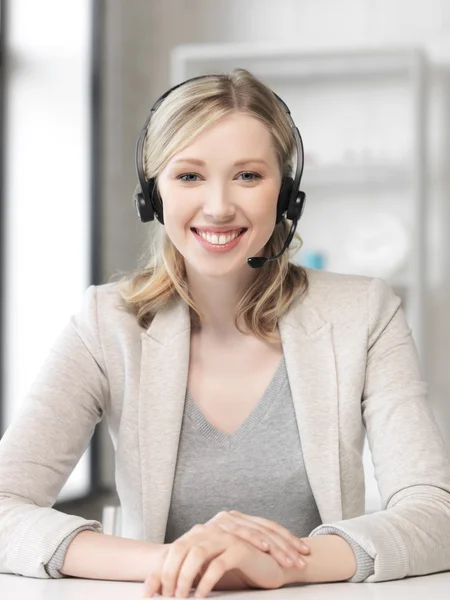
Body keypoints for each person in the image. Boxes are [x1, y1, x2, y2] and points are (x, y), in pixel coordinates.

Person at [1, 68, 450, 598]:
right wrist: (181, 560)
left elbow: (435, 514)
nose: (217, 206)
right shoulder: (107, 323)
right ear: (153, 194)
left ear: (287, 194)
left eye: (248, 176)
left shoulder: (364, 312)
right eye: (189, 176)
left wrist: (282, 566)